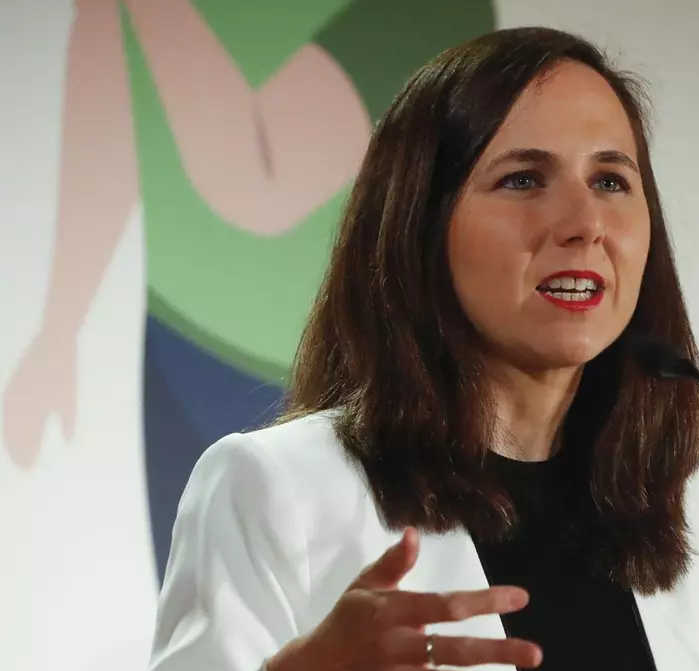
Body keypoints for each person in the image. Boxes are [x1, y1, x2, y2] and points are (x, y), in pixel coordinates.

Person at [75, 27, 699, 671]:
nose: (584, 224)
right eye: (523, 179)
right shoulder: (282, 488)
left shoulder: (640, 536)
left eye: (612, 180)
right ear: (421, 222)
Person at [2, 0, 495, 582]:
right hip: (188, 343)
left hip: (299, 369)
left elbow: (264, 180)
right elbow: (109, 96)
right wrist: (60, 327)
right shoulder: (252, 473)